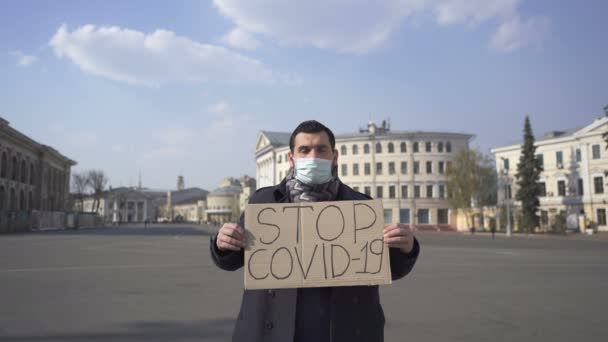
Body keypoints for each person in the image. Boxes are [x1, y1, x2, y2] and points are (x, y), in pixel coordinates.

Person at [210, 120, 420, 342]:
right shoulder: (263, 202)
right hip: (273, 330)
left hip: (343, 331)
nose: (313, 157)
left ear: (334, 157)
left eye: (321, 149)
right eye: (304, 150)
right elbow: (232, 260)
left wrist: (404, 248)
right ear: (291, 159)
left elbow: (387, 268)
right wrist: (223, 244)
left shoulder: (361, 206)